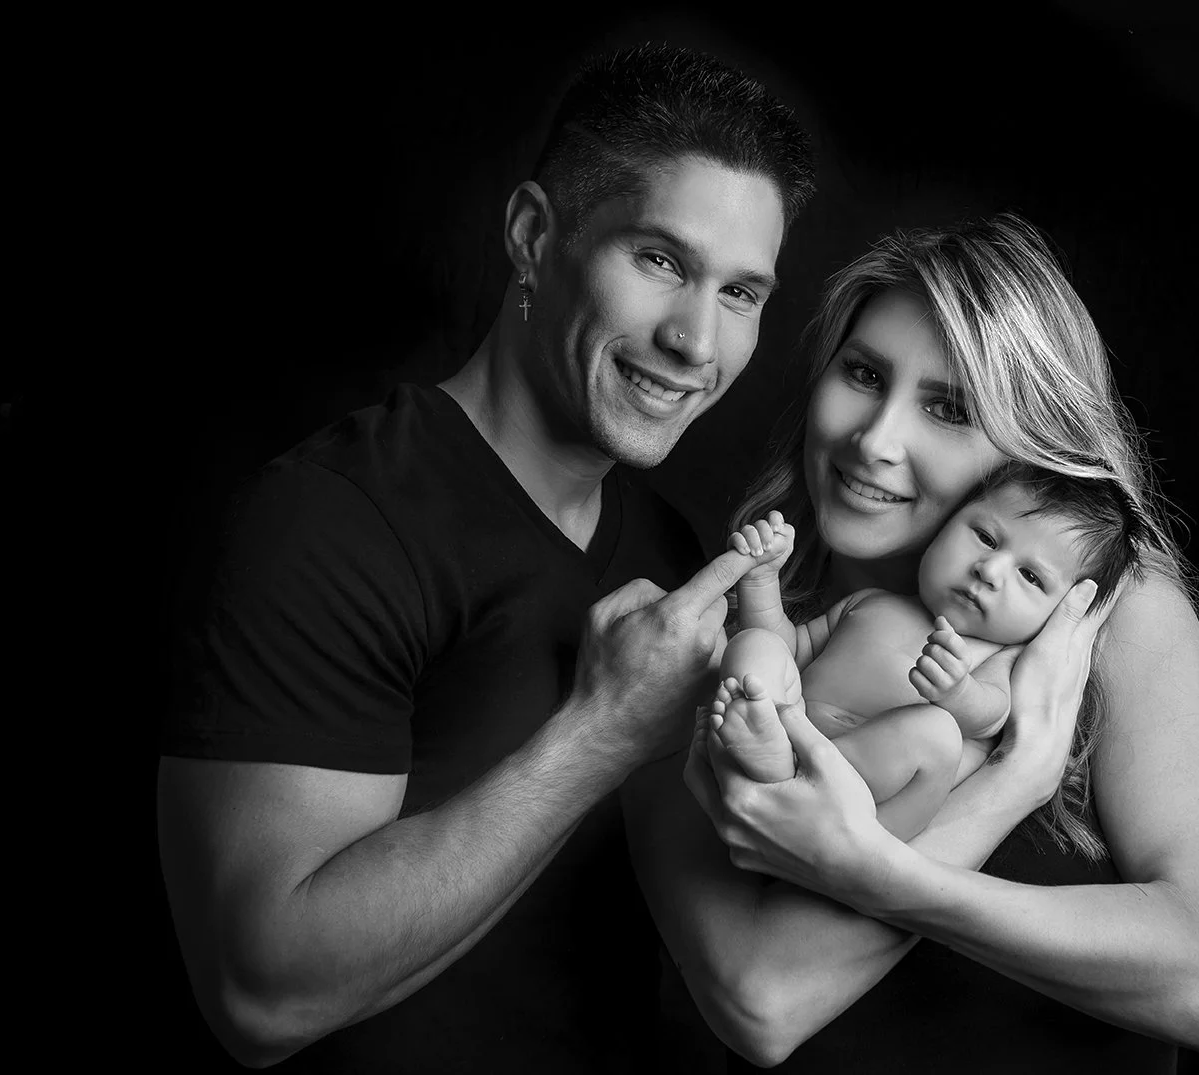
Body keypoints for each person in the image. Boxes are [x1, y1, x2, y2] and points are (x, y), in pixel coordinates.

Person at [155, 43, 814, 1071]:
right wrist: (601, 730)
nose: (696, 341)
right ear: (532, 236)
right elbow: (259, 994)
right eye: (659, 261)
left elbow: (746, 971)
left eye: (740, 293)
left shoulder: (672, 553)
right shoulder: (331, 521)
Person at [623, 214, 1199, 1071]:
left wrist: (886, 877)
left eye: (948, 408)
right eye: (862, 373)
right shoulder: (719, 648)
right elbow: (761, 999)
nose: (874, 441)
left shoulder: (1105, 619)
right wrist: (1008, 780)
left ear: (1034, 448)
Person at [709, 463, 1151, 841]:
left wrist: (958, 691)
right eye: (986, 537)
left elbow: (991, 715)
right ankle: (769, 756)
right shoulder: (870, 603)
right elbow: (791, 650)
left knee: (937, 733)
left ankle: (796, 775)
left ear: (1062, 611)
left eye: (1031, 577)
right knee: (755, 645)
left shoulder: (997, 657)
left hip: (866, 805)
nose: (990, 570)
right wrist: (761, 581)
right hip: (790, 730)